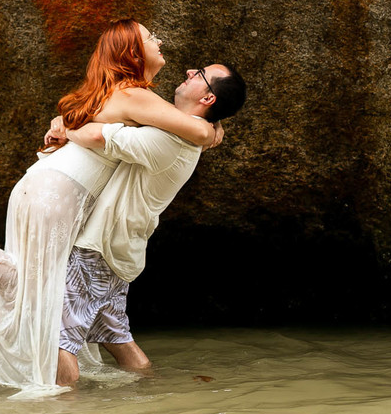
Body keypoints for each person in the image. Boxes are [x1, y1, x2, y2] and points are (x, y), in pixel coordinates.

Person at [0, 19, 216, 393]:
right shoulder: (137, 96)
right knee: (37, 290)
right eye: (151, 37)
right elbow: (194, 129)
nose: (159, 40)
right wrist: (215, 130)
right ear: (133, 53)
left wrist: (64, 125)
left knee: (36, 287)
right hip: (60, 192)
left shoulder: (105, 94)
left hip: (41, 185)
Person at [49, 63, 247, 387]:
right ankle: (149, 395)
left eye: (199, 74)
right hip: (119, 249)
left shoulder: (171, 140)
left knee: (57, 339)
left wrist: (63, 129)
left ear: (209, 98)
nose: (188, 71)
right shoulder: (191, 133)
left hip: (99, 248)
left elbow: (98, 135)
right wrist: (215, 127)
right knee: (116, 338)